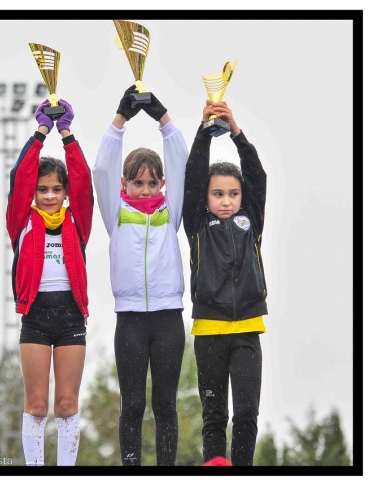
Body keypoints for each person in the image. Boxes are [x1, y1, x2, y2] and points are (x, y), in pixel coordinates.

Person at [93, 86, 189, 466]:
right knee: (131, 404)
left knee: (165, 404)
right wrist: (120, 118)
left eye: (152, 182)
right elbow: (101, 167)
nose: (146, 188)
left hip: (168, 318)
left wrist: (163, 118)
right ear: (124, 185)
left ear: (162, 185)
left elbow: (180, 162)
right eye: (138, 182)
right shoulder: (115, 213)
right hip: (130, 320)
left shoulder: (171, 210)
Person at [6, 98, 93, 466]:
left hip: (71, 316)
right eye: (43, 190)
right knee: (38, 404)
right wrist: (41, 132)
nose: (49, 195)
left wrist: (67, 135)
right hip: (36, 316)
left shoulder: (77, 223)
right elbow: (20, 178)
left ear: (65, 192)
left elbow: (84, 181)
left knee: (66, 404)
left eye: (56, 189)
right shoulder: (22, 222)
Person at [183, 100, 268, 466]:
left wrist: (236, 131)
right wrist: (203, 132)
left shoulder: (252, 221)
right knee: (214, 415)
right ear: (205, 197)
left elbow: (257, 175)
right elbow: (192, 176)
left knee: (246, 413)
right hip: (209, 330)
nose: (227, 201)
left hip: (248, 327)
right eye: (218, 194)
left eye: (233, 194)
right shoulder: (198, 225)